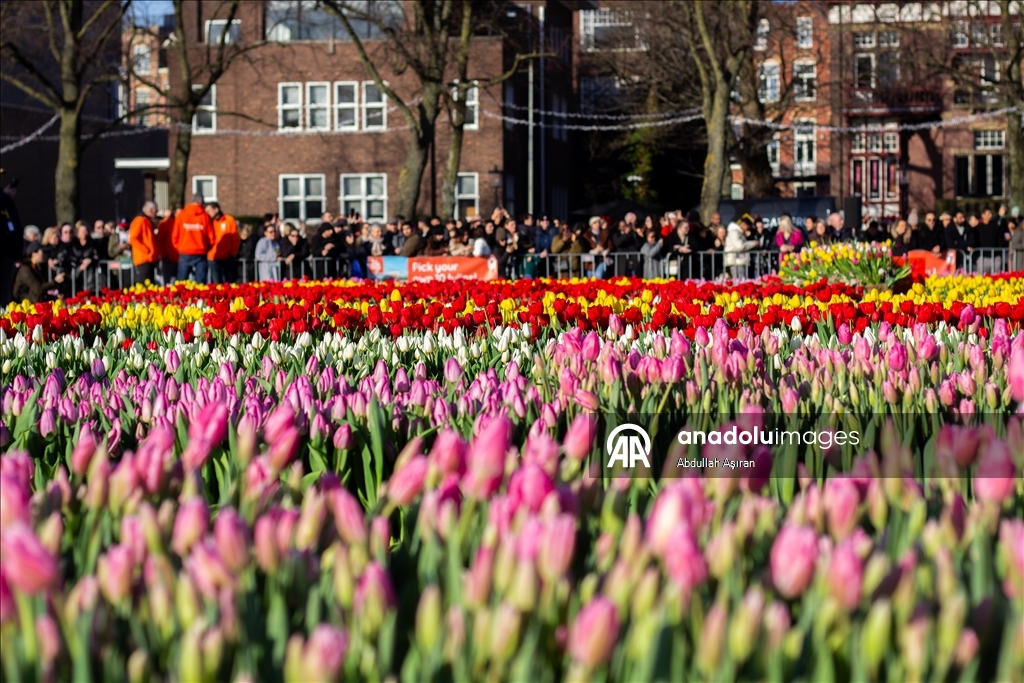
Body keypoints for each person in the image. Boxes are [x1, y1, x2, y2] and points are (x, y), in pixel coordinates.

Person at [172, 194, 214, 282]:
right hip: (200, 253)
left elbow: (175, 236)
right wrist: (206, 248)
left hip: (184, 252)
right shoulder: (205, 217)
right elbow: (212, 238)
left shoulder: (181, 215)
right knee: (201, 283)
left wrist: (179, 247)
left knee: (181, 283)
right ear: (200, 202)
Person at [0, 171, 24, 306]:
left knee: (5, 295)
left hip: (6, 254)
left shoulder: (6, 200)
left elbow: (16, 226)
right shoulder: (4, 197)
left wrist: (17, 253)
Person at [205, 202, 240, 284]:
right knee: (217, 283)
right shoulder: (208, 222)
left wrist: (232, 253)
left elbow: (235, 238)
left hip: (227, 257)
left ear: (216, 209)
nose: (207, 213)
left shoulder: (229, 220)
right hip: (212, 257)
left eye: (209, 211)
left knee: (230, 282)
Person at [129, 201, 162, 285]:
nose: (156, 213)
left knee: (149, 286)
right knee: (144, 286)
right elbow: (133, 238)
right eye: (156, 211)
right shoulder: (140, 220)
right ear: (150, 210)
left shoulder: (146, 221)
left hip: (148, 259)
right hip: (143, 259)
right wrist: (146, 250)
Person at [69, 223, 99, 293]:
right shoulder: (73, 244)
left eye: (85, 230)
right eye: (81, 231)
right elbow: (71, 257)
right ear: (78, 232)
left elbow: (96, 256)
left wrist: (90, 260)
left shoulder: (92, 243)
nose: (83, 233)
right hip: (77, 271)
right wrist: (81, 263)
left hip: (90, 273)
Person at [976, 208, 1007, 273]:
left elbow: (1000, 240)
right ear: (983, 215)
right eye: (988, 214)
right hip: (983, 257)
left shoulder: (996, 227)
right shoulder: (978, 228)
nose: (990, 215)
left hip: (995, 257)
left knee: (996, 278)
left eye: (991, 214)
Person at [156, 206, 181, 285]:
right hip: (168, 258)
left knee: (179, 283)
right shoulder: (166, 224)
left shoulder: (183, 223)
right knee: (168, 283)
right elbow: (159, 240)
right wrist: (164, 255)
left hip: (180, 258)